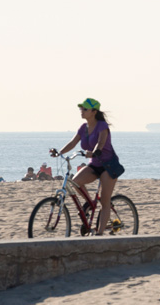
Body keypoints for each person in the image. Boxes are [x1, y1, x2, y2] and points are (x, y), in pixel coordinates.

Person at [50, 98, 124, 236]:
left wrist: (96, 151)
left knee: (105, 201)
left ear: (94, 112)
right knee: (75, 182)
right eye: (81, 109)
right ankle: (90, 203)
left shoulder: (102, 125)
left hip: (108, 166)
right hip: (94, 165)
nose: (81, 111)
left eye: (85, 109)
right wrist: (59, 152)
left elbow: (100, 142)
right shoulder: (83, 128)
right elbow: (73, 143)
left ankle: (100, 233)